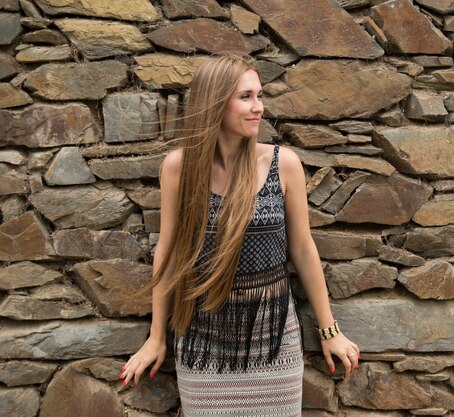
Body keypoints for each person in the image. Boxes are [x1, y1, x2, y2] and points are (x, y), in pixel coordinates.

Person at [120, 54, 360, 416]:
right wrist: (156, 339)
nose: (258, 108)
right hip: (203, 337)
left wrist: (329, 330)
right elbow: (167, 253)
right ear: (215, 102)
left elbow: (302, 249)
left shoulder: (283, 163)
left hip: (273, 337)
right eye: (246, 97)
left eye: (259, 96)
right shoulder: (178, 168)